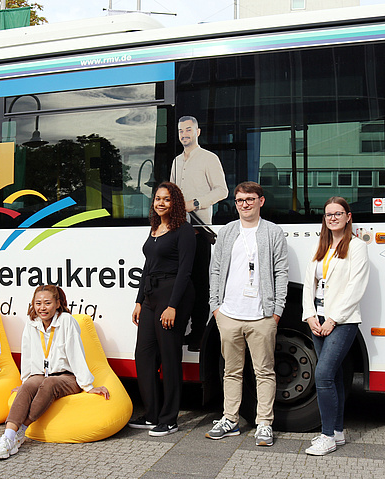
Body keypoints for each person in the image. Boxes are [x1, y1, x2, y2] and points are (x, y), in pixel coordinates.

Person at [205, 181, 288, 446]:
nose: (245, 204)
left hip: (262, 316)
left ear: (261, 201)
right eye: (240, 200)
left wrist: (277, 311)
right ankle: (230, 419)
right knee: (231, 371)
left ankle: (264, 423)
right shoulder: (228, 231)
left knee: (264, 371)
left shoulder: (273, 232)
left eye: (250, 199)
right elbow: (215, 269)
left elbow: (281, 272)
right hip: (229, 314)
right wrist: (216, 307)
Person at [0, 285, 109, 459]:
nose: (42, 308)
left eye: (47, 303)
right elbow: (27, 354)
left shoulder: (67, 321)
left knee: (49, 383)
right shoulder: (32, 323)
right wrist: (24, 383)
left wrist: (88, 385)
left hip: (67, 377)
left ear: (58, 303)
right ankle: (7, 437)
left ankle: (20, 431)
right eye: (38, 303)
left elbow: (76, 354)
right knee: (29, 385)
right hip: (41, 374)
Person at [301, 197, 369, 455]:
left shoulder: (357, 247)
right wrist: (309, 316)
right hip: (317, 319)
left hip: (342, 321)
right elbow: (309, 283)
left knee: (323, 374)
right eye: (328, 214)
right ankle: (338, 431)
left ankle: (327, 436)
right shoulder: (321, 246)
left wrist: (333, 319)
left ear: (348, 216)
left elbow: (356, 288)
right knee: (335, 374)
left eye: (338, 213)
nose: (332, 218)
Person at [128, 182, 195, 437]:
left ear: (174, 203)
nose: (160, 203)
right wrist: (138, 301)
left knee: (169, 358)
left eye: (166, 199)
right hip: (150, 296)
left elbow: (185, 272)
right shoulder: (155, 228)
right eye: (157, 199)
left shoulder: (184, 231)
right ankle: (152, 413)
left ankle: (169, 418)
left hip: (172, 294)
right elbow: (147, 267)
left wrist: (173, 306)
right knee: (144, 355)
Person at [169, 116, 228, 350]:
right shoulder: (175, 162)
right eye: (181, 130)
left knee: (200, 283)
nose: (184, 134)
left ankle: (199, 334)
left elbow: (222, 190)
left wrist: (195, 203)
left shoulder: (209, 159)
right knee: (181, 281)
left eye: (188, 130)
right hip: (177, 230)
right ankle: (185, 330)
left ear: (198, 132)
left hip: (199, 230)